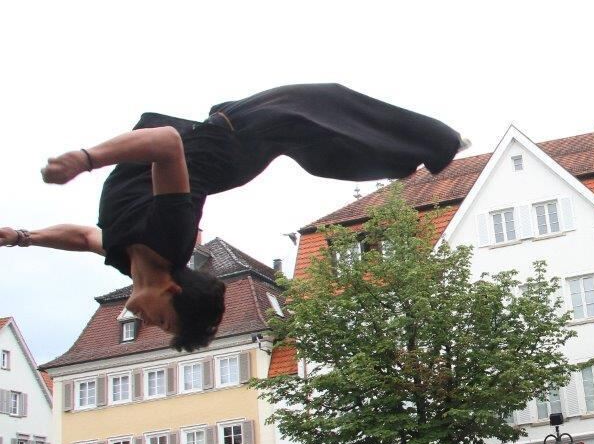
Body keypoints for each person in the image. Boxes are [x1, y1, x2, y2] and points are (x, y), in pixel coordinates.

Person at [10, 84, 466, 351]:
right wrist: (86, 159)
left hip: (225, 132)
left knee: (323, 131)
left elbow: (83, 235)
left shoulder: (124, 256)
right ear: (172, 290)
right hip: (239, 140)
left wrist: (20, 237)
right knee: (325, 107)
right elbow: (165, 142)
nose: (149, 325)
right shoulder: (171, 238)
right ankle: (437, 144)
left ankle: (420, 153)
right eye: (165, 322)